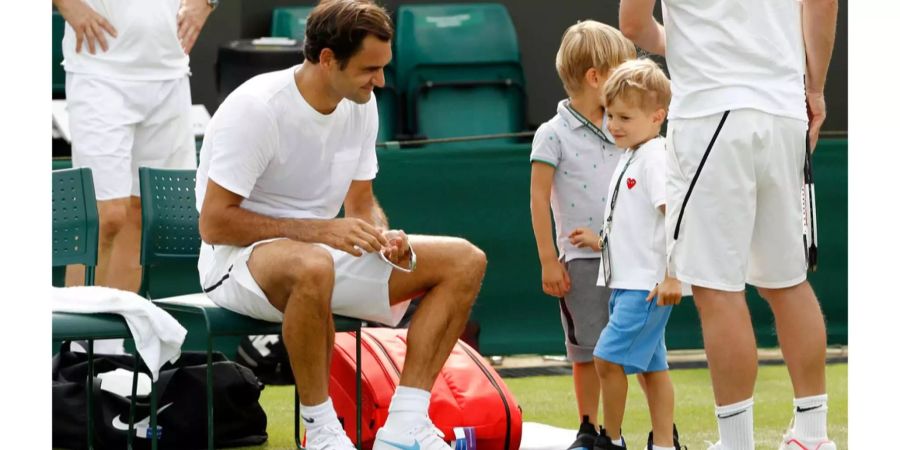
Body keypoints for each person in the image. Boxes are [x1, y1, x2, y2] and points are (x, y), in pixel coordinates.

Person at [194, 1, 487, 449]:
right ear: (327, 58)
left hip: (317, 259)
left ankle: (405, 427)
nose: (382, 81)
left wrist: (381, 235)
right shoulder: (256, 107)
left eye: (384, 68)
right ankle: (323, 431)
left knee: (464, 260)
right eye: (370, 69)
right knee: (314, 265)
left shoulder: (361, 103)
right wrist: (319, 231)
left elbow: (362, 202)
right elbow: (214, 224)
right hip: (235, 265)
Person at [618, 0, 839, 449]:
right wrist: (813, 88)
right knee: (787, 281)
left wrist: (676, 46)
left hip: (709, 113)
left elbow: (633, 23)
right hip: (784, 111)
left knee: (718, 291)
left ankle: (736, 444)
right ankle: (812, 438)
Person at [529, 20, 639, 450]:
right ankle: (588, 428)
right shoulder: (551, 134)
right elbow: (539, 201)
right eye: (621, 72)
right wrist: (548, 259)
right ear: (596, 77)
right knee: (586, 350)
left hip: (630, 259)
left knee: (637, 350)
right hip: (579, 262)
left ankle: (638, 431)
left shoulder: (626, 126)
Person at [55, 0, 214, 293]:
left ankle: (111, 338)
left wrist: (206, 2)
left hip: (169, 72)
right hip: (99, 72)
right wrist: (69, 6)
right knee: (105, 216)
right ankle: (79, 338)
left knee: (141, 215)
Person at [569, 59, 683, 450]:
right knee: (653, 369)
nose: (614, 124)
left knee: (606, 359)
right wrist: (601, 241)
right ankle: (665, 444)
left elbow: (674, 217)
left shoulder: (654, 157)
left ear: (657, 116)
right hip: (627, 284)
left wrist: (672, 275)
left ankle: (611, 440)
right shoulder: (631, 154)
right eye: (610, 114)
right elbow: (638, 225)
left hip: (646, 288)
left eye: (625, 117)